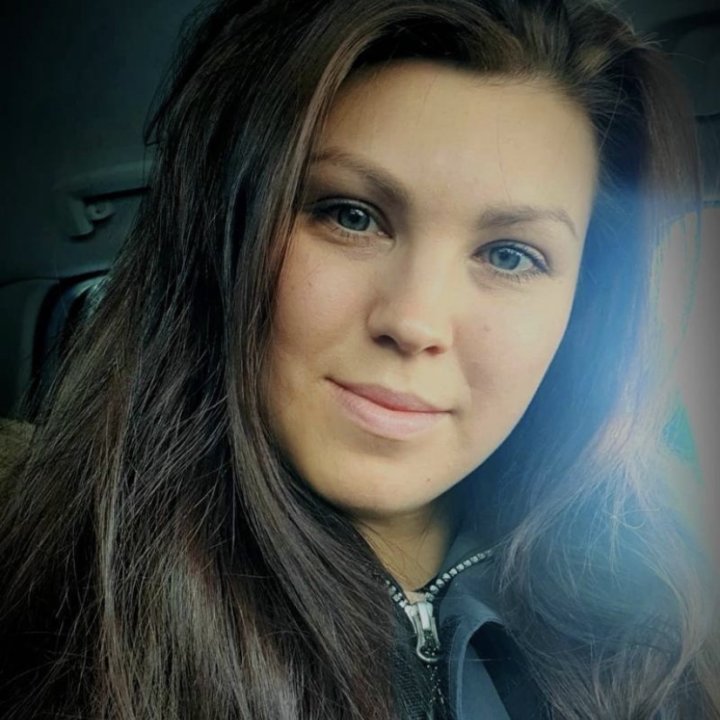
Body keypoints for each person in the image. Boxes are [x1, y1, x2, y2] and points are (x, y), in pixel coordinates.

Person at [0, 0, 717, 718]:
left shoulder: (664, 613)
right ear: (224, 241)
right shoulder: (46, 619)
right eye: (351, 215)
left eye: (509, 255)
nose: (414, 321)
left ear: (581, 309)